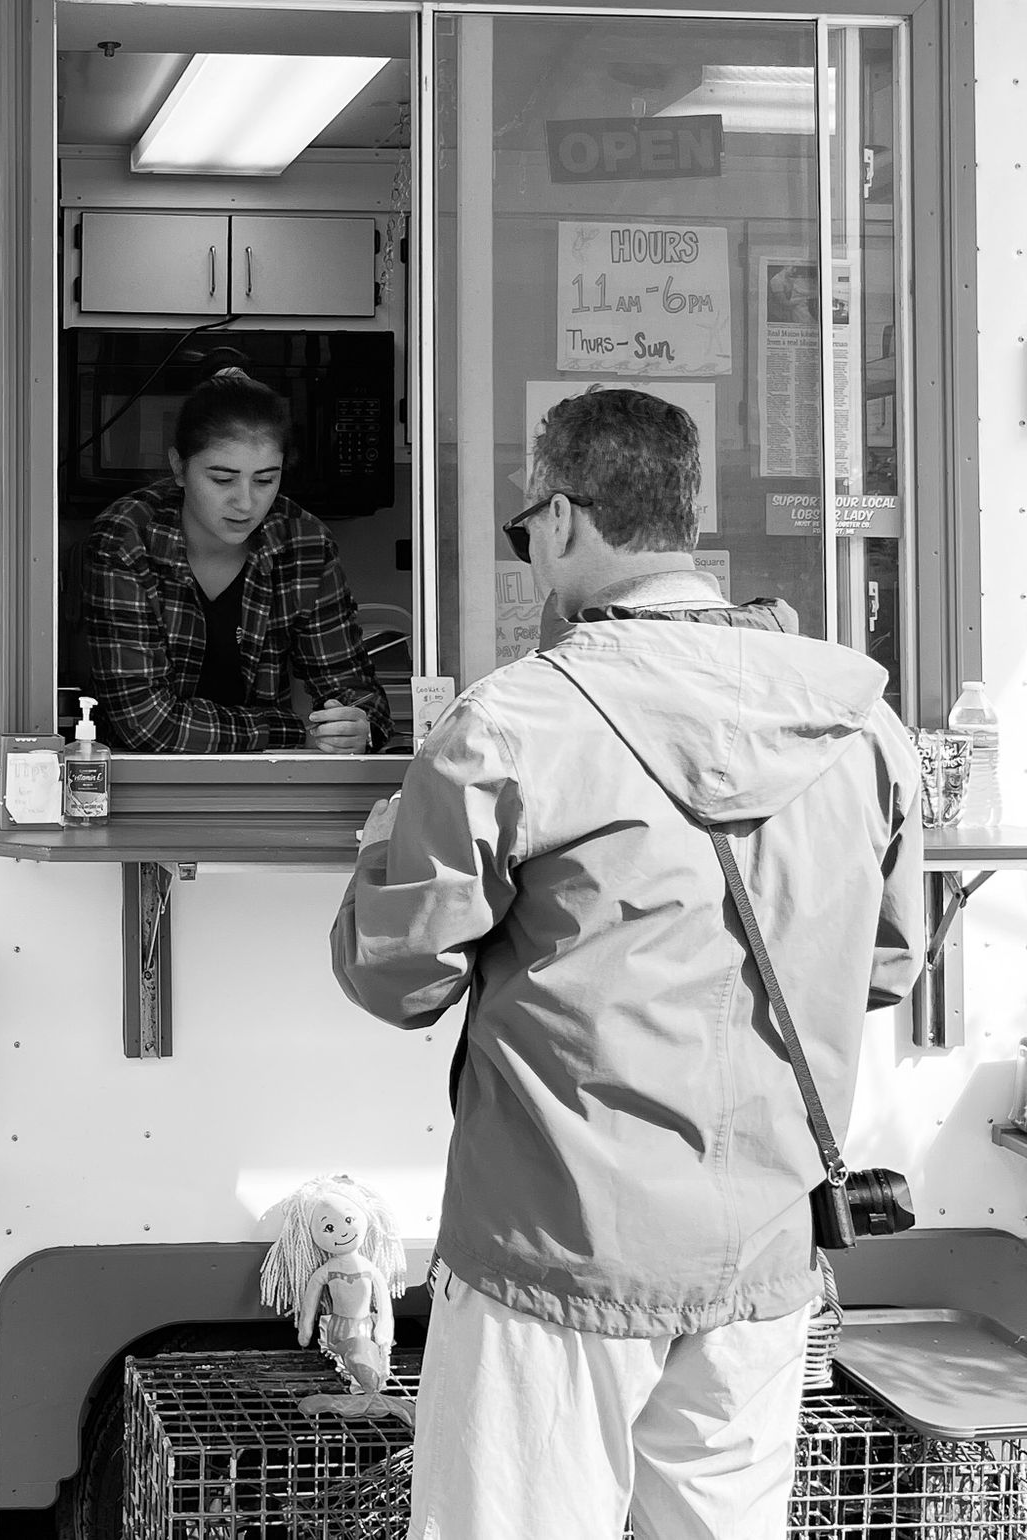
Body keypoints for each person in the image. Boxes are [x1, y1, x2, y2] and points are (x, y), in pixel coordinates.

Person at [328, 387, 923, 1539]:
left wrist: (376, 851)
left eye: (524, 531)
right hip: (759, 1253)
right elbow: (885, 969)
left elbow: (398, 980)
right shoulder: (862, 728)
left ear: (558, 518)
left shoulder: (507, 725)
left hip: (552, 1253)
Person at [81, 365, 393, 753]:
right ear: (179, 467)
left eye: (265, 480)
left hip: (268, 776)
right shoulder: (127, 538)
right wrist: (294, 730)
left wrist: (357, 727)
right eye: (222, 479)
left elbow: (358, 696)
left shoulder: (305, 542)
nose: (245, 502)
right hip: (133, 775)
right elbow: (145, 724)